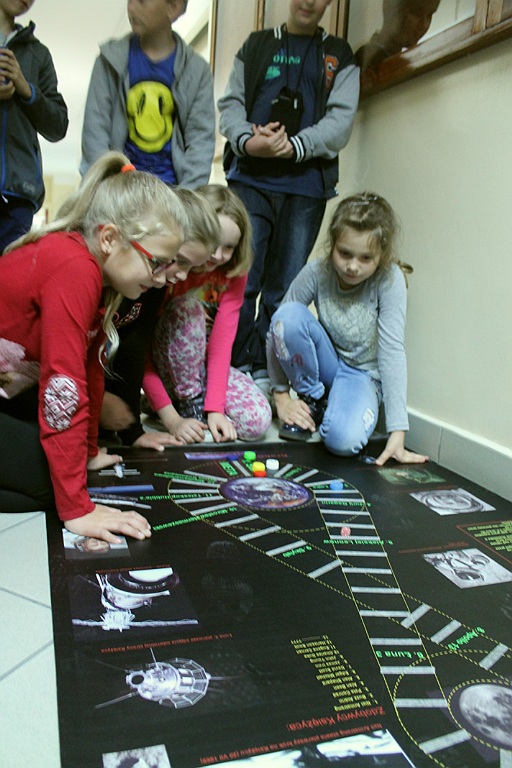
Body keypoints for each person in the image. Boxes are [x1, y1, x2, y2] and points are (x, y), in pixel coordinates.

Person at [0, 151, 187, 543]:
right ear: (109, 239)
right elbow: (62, 388)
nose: (161, 279)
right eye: (156, 263)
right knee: (50, 484)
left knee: (61, 469)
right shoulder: (75, 268)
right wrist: (77, 508)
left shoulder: (100, 276)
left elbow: (90, 370)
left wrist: (86, 452)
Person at [218, 0, 360, 385]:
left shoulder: (339, 55)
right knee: (240, 281)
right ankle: (232, 369)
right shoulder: (257, 45)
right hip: (250, 181)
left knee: (284, 290)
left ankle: (269, 371)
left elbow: (340, 123)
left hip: (306, 188)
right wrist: (249, 141)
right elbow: (230, 107)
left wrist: (296, 146)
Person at [267, 192, 429, 467]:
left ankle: (333, 408)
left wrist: (397, 431)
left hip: (362, 375)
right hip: (328, 362)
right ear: (333, 245)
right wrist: (281, 396)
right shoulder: (318, 271)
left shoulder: (389, 280)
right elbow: (278, 329)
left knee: (343, 441)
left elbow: (392, 351)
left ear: (381, 255)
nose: (353, 266)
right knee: (287, 316)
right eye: (344, 254)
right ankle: (315, 399)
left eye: (366, 258)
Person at [145, 185, 273, 444]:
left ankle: (190, 403)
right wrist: (170, 417)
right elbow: (141, 349)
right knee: (188, 309)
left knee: (257, 421)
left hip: (201, 369)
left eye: (228, 247)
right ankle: (180, 403)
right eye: (213, 243)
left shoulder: (233, 273)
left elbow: (221, 343)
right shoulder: (170, 268)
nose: (217, 255)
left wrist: (215, 408)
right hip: (162, 368)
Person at [100, 187, 221, 449]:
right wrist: (95, 401)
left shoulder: (155, 283)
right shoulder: (113, 277)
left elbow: (133, 345)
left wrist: (133, 432)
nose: (182, 276)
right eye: (179, 260)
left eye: (192, 267)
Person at [80, 0, 215, 189]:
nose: (131, 7)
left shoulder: (197, 71)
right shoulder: (109, 61)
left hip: (172, 193)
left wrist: (186, 200)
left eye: (142, 1)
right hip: (117, 190)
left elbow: (200, 142)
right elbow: (94, 134)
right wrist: (105, 190)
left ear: (173, 7)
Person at [0, 0, 68, 253]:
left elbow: (58, 125)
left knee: (9, 275)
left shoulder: (38, 54)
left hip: (19, 196)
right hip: (21, 192)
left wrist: (26, 89)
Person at [355, 0, 441, 72]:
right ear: (390, 7)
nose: (423, 25)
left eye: (429, 16)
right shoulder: (370, 61)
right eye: (416, 13)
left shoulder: (399, 61)